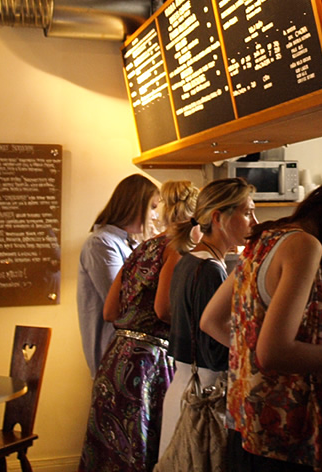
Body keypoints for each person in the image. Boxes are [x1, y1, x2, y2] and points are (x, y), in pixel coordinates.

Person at [201, 173, 322, 471]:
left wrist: (253, 360)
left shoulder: (265, 238)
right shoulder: (304, 245)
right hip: (287, 434)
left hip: (247, 425)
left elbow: (211, 320)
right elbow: (273, 352)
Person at [79, 180, 198, 472]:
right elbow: (164, 310)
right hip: (147, 363)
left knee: (111, 451)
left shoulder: (142, 246)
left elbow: (110, 311)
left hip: (116, 358)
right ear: (196, 219)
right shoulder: (176, 248)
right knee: (146, 449)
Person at [159, 177, 257, 456]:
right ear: (218, 218)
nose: (255, 222)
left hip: (185, 388)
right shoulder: (209, 270)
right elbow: (213, 349)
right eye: (247, 212)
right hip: (204, 394)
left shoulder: (191, 259)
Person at [77, 174, 160, 378]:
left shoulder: (127, 242)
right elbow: (123, 301)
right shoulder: (102, 243)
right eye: (152, 208)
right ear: (135, 206)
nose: (155, 216)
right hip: (112, 353)